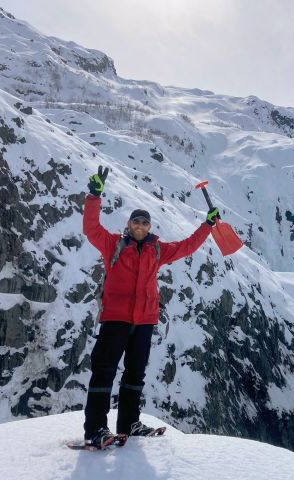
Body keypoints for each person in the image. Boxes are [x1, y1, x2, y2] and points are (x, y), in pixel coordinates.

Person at [81, 166, 220, 448]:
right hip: (116, 319)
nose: (140, 226)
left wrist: (207, 226)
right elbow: (91, 228)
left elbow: (187, 246)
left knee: (135, 374)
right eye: (136, 222)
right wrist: (94, 196)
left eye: (145, 222)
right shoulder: (113, 246)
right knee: (104, 371)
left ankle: (129, 423)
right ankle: (96, 428)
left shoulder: (157, 250)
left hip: (144, 321)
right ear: (129, 225)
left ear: (150, 227)